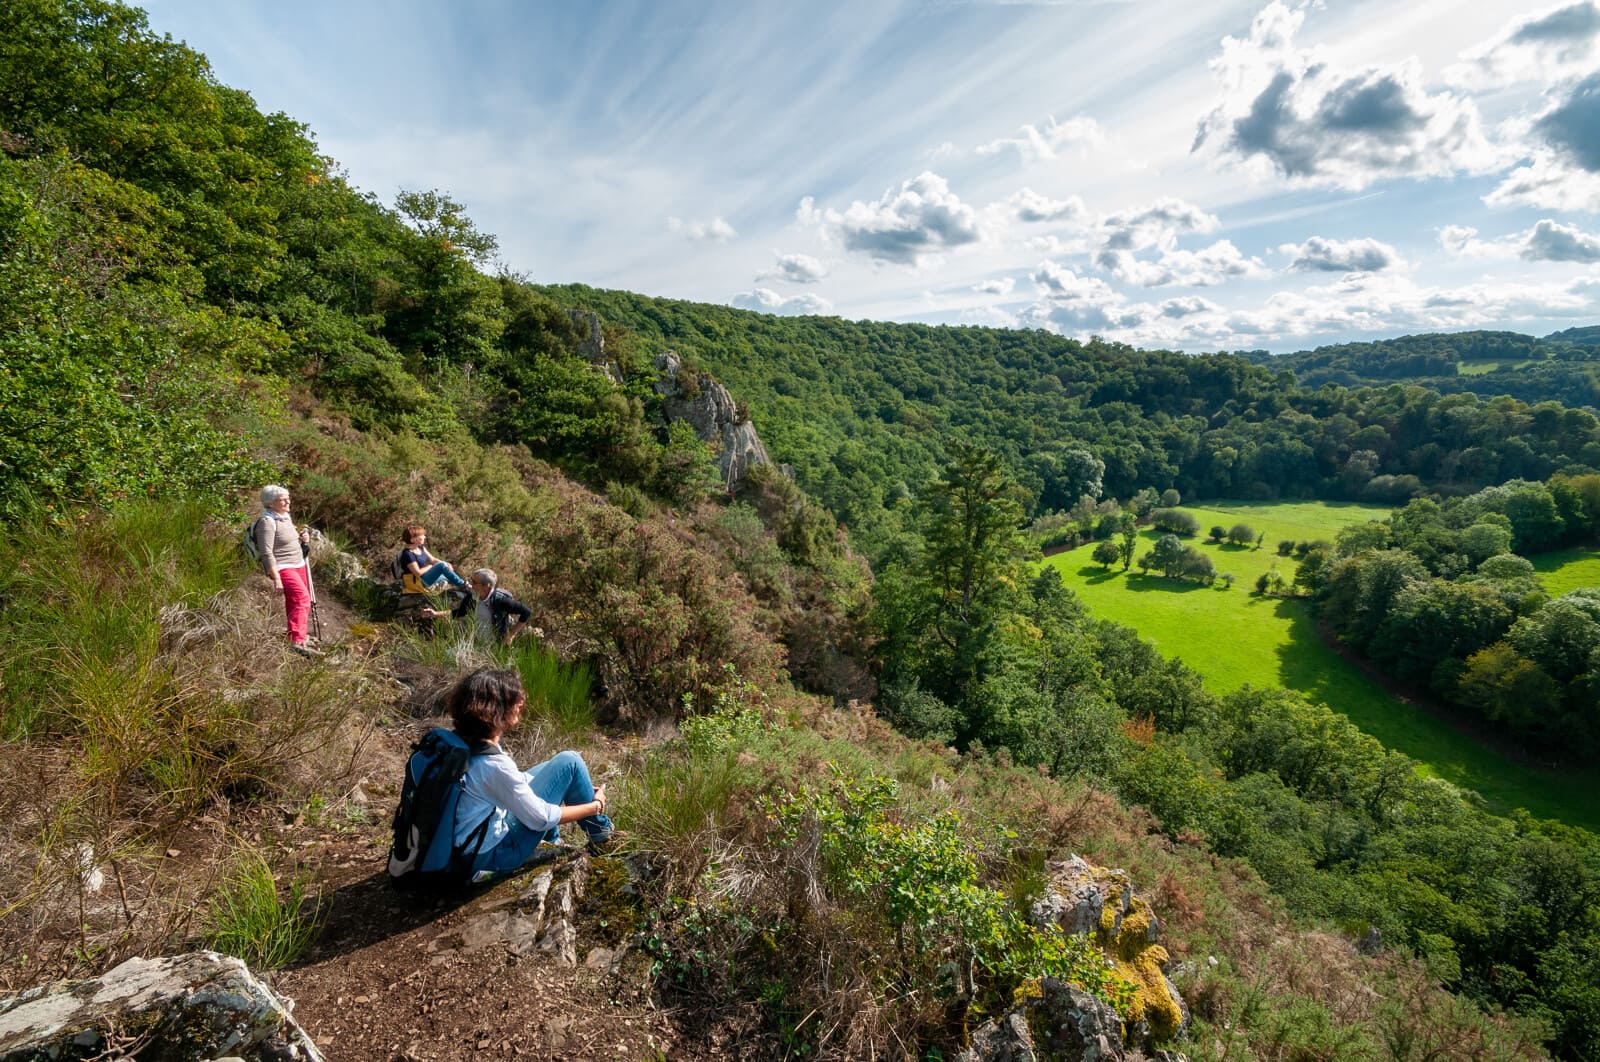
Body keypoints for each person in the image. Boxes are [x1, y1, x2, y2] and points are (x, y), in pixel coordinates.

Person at [448, 668, 614, 878]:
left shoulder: (462, 743)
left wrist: (565, 786)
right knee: (570, 761)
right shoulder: (492, 765)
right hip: (491, 857)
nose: (521, 702)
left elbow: (513, 782)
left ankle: (552, 842)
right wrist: (594, 806)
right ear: (491, 709)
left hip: (466, 847)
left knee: (556, 768)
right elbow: (541, 818)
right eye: (513, 697)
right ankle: (603, 837)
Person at [253, 485, 320, 657]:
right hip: (283, 567)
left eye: (288, 497)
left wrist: (301, 539)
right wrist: (276, 578)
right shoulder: (266, 522)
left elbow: (285, 539)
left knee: (296, 601)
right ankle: (297, 641)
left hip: (299, 563)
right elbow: (266, 552)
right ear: (270, 503)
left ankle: (297, 635)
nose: (288, 501)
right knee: (302, 599)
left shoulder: (284, 516)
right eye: (283, 499)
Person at [421, 567, 533, 644]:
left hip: (496, 645)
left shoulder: (501, 600)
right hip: (477, 642)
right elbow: (460, 612)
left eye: (474, 582)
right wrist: (435, 614)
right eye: (471, 580)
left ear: (486, 586)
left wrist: (511, 634)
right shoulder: (472, 597)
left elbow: (526, 612)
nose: (470, 584)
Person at [398, 526, 469, 592]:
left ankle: (462, 588)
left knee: (448, 576)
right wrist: (430, 566)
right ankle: (463, 585)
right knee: (442, 566)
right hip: (418, 582)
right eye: (421, 535)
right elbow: (417, 573)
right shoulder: (408, 554)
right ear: (413, 540)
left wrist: (446, 564)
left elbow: (432, 559)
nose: (424, 537)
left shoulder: (420, 547)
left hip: (425, 577)